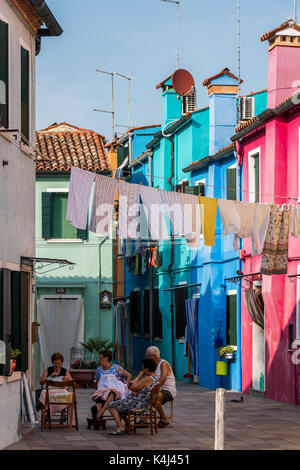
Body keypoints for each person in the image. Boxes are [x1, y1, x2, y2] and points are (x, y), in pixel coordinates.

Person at [107, 357, 159, 435]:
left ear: (147, 369)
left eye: (143, 368)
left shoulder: (148, 378)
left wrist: (139, 376)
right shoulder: (156, 377)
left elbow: (133, 387)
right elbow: (139, 389)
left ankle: (120, 427)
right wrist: (136, 391)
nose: (142, 369)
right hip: (142, 402)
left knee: (111, 405)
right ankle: (128, 426)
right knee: (119, 403)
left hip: (138, 404)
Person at [91, 349, 132, 421]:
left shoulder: (117, 368)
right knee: (99, 401)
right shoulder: (99, 369)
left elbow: (129, 375)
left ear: (106, 358)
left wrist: (126, 385)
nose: (99, 360)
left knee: (111, 394)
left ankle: (101, 413)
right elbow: (96, 381)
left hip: (115, 393)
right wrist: (96, 384)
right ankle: (98, 419)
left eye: (100, 358)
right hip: (103, 392)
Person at [145, 346, 176, 427]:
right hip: (156, 389)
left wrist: (154, 389)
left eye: (147, 356)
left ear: (154, 355)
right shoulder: (152, 365)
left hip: (167, 390)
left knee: (154, 396)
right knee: (144, 394)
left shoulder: (163, 363)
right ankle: (144, 418)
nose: (146, 358)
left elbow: (163, 378)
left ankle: (164, 419)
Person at [39, 352, 73, 421]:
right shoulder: (48, 370)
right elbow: (41, 382)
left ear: (62, 363)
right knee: (43, 392)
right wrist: (49, 377)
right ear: (52, 362)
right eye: (55, 363)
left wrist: (66, 379)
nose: (57, 365)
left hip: (60, 391)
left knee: (65, 392)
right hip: (50, 391)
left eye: (59, 363)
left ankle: (63, 415)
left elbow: (71, 382)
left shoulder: (64, 371)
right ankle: (47, 413)